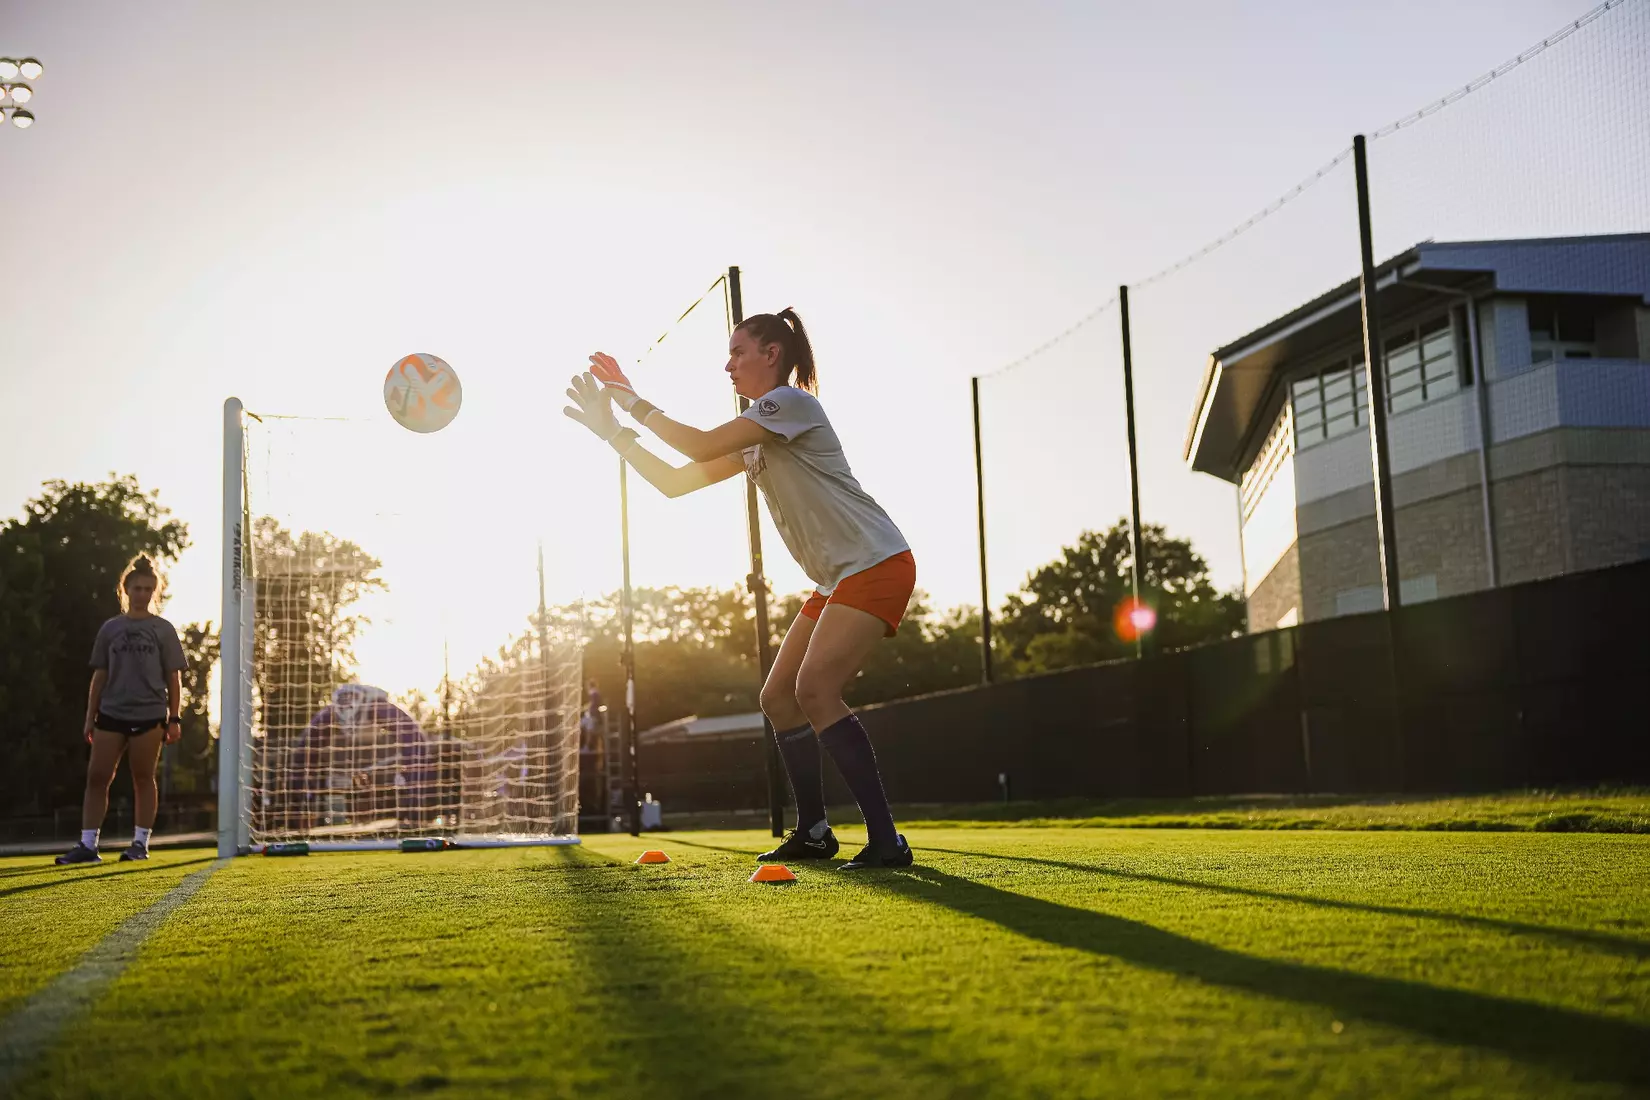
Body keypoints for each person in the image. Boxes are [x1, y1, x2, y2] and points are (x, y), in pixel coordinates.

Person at [563, 309, 915, 869]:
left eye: (737, 352)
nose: (728, 366)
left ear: (771, 354)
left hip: (877, 562)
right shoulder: (757, 432)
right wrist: (612, 433)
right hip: (838, 578)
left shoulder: (790, 403)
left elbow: (699, 445)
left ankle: (886, 840)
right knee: (778, 698)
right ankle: (815, 832)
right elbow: (675, 482)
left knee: (815, 689)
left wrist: (629, 399)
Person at [56, 555, 186, 865]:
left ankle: (139, 844)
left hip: (149, 714)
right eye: (137, 588)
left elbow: (173, 677)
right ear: (125, 589)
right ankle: (88, 846)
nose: (142, 594)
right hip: (111, 713)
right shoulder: (110, 628)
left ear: (155, 592)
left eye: (148, 589)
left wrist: (174, 718)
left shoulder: (163, 629)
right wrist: (90, 716)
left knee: (143, 777)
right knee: (97, 777)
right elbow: (100, 675)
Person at [294, 685, 434, 829]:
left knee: (415, 766)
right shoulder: (327, 716)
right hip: (358, 759)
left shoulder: (381, 708)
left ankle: (416, 813)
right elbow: (302, 756)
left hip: (387, 757)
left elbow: (416, 743)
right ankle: (299, 816)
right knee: (303, 770)